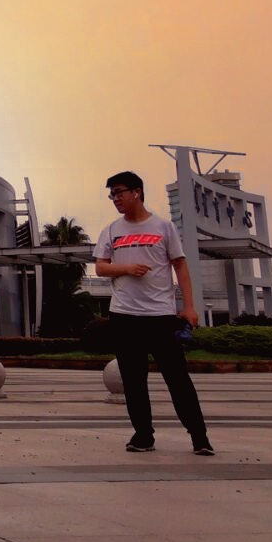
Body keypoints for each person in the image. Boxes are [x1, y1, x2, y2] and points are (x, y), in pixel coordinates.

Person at [94, 170, 212, 456]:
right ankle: (143, 436)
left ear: (137, 192)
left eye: (120, 192)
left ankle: (199, 437)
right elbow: (100, 267)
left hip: (160, 315)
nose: (116, 199)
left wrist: (189, 306)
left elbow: (180, 266)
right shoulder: (111, 230)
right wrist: (127, 269)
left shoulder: (163, 226)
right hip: (124, 316)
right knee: (133, 381)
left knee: (178, 378)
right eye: (112, 195)